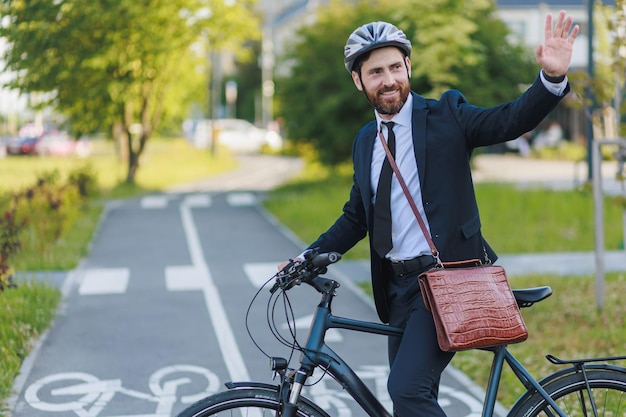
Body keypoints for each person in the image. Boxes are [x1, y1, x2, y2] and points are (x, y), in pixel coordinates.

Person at [278, 10, 578, 417]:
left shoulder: (447, 115)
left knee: (407, 391)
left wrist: (551, 80)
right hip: (398, 291)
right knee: (411, 403)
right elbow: (356, 217)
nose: (388, 80)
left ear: (408, 67)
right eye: (376, 72)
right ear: (359, 80)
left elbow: (508, 121)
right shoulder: (366, 141)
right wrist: (303, 259)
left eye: (395, 68)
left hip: (447, 281)